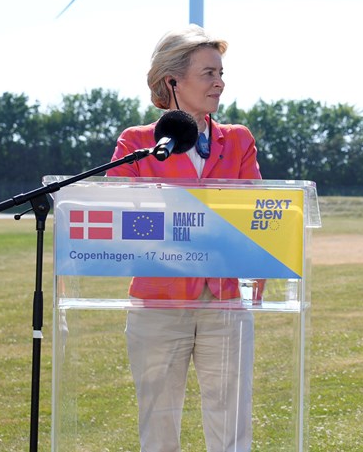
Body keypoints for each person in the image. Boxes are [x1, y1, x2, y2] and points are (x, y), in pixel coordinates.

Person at [107, 25, 262, 452]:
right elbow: (119, 216)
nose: (220, 82)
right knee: (157, 427)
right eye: (209, 73)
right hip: (157, 303)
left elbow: (255, 216)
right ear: (173, 81)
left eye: (221, 72)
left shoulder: (239, 140)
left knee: (231, 426)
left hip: (225, 303)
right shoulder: (137, 143)